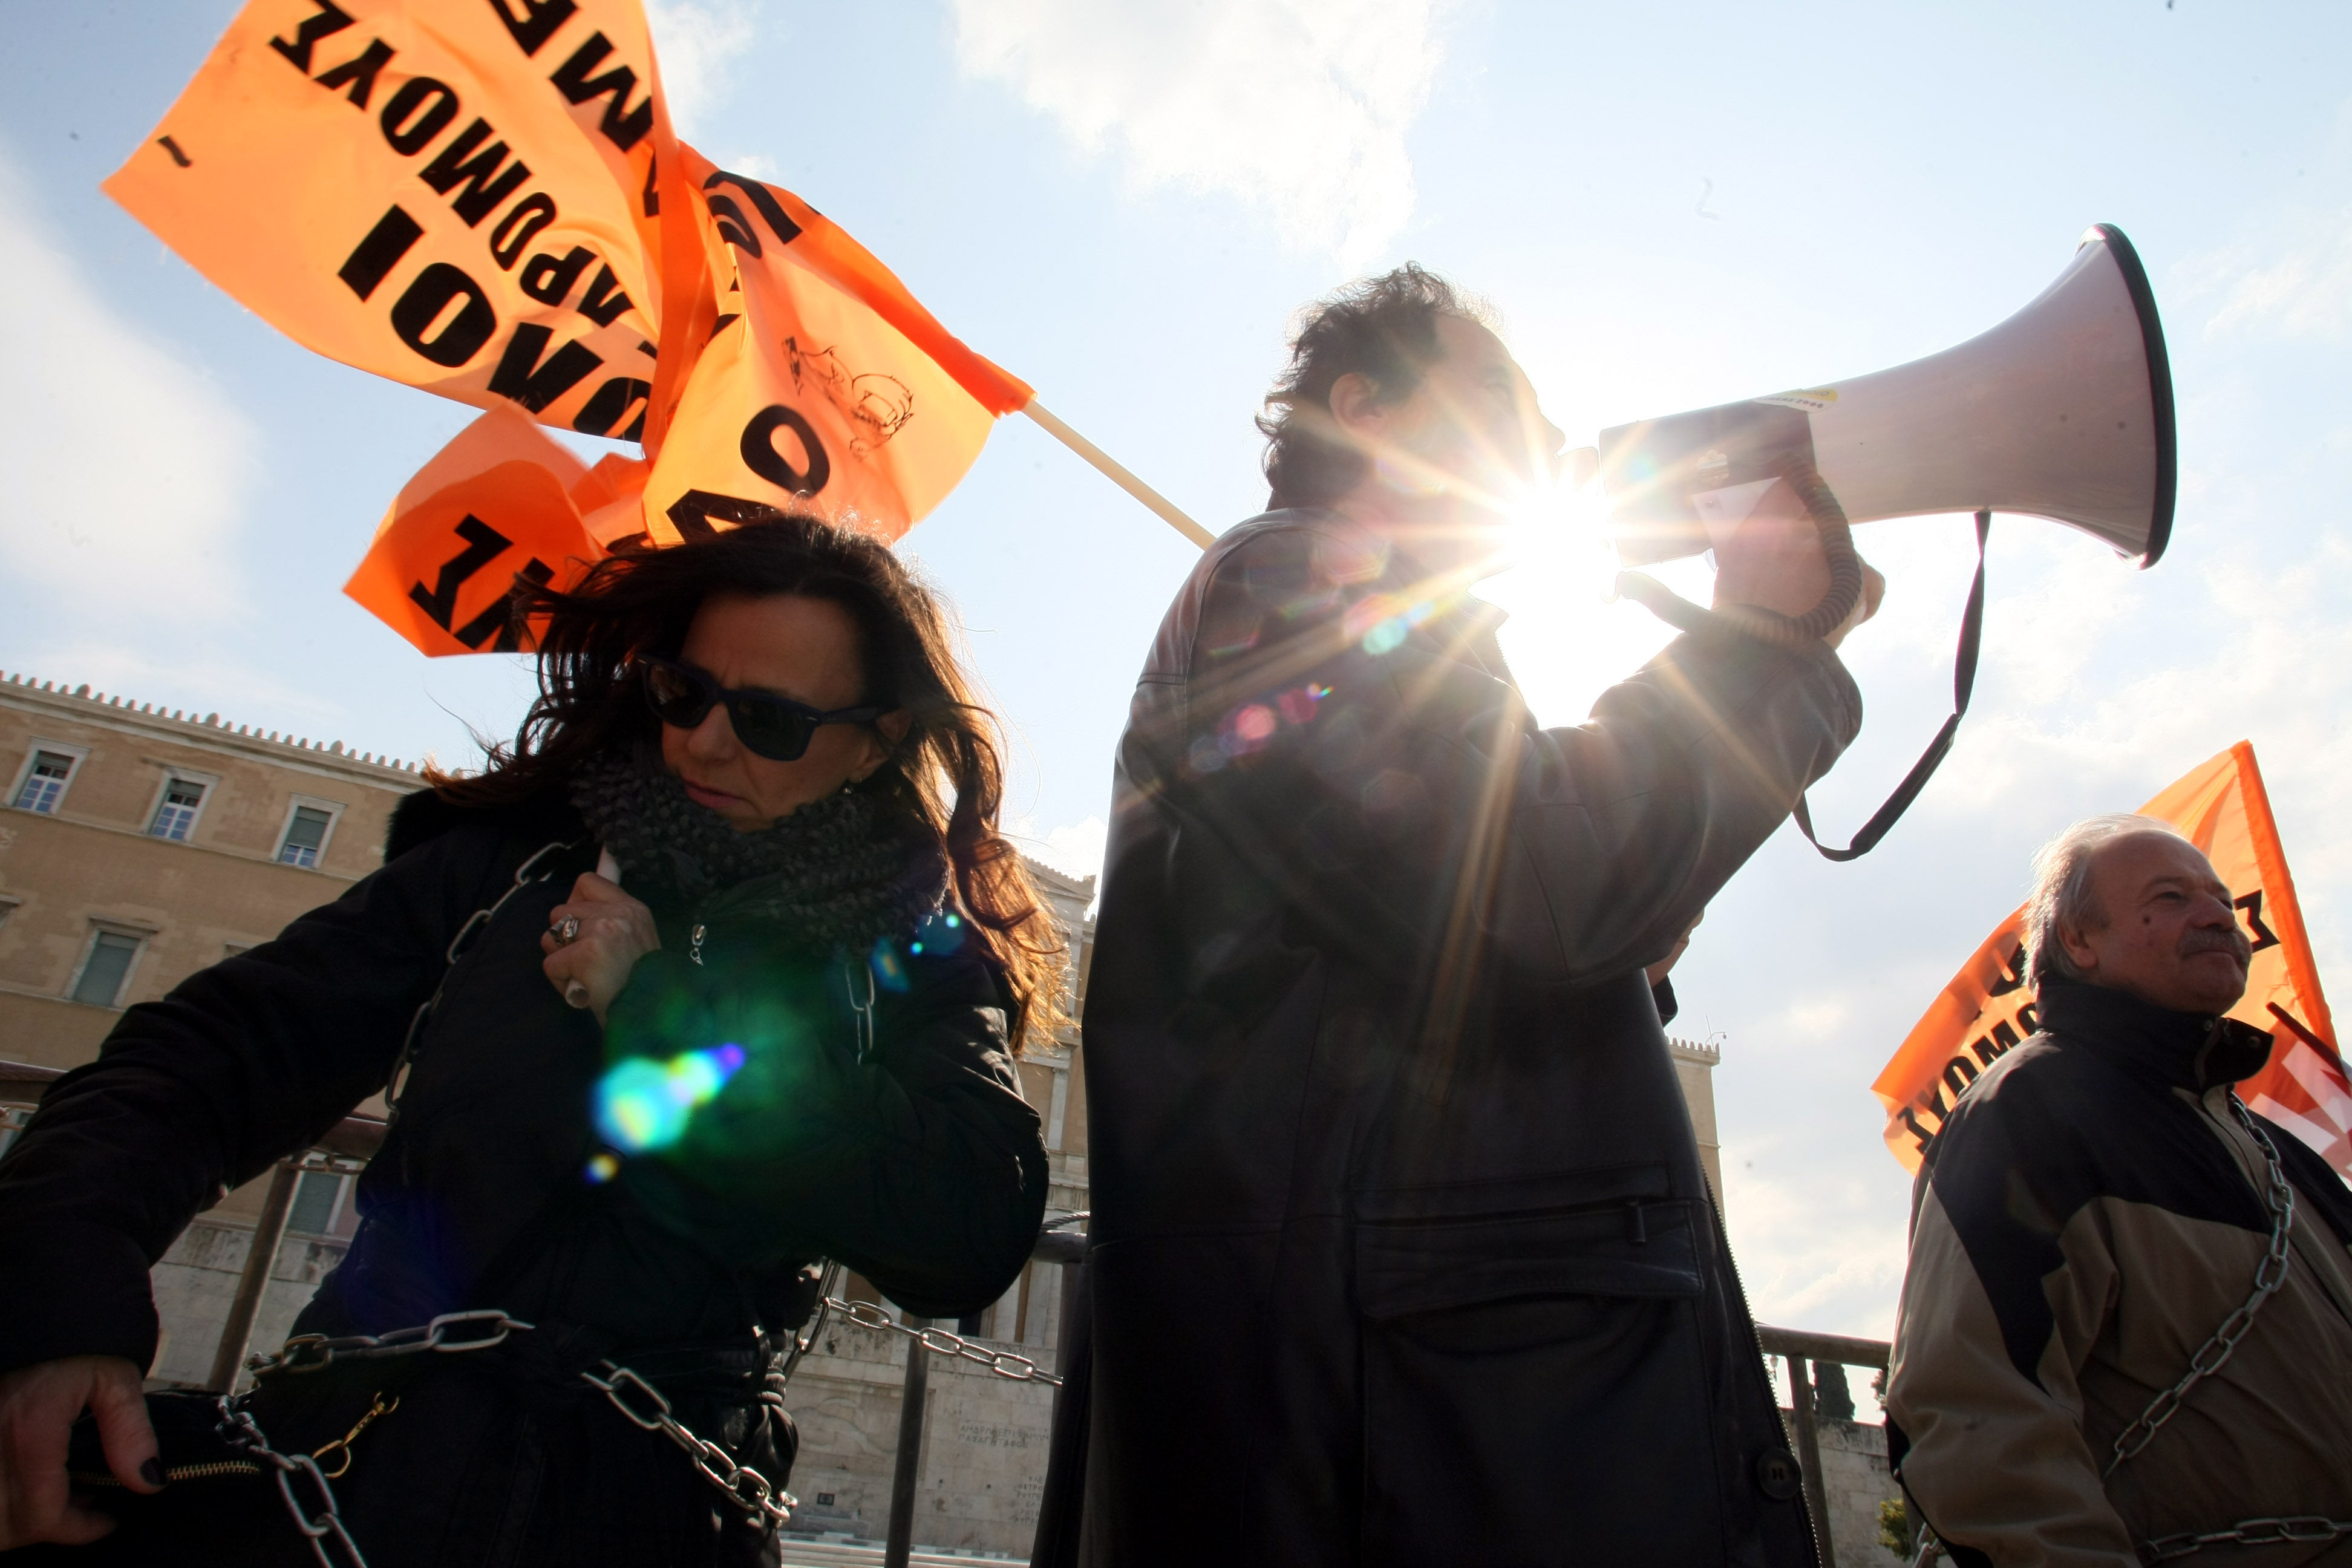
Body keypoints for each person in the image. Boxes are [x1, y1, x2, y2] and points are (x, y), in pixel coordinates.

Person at [0, 519, 1057, 1566]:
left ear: (872, 743)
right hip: (352, 1473)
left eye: (770, 719)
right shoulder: (505, 868)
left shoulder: (913, 955)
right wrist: (60, 1292)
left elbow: (968, 1217)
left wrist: (655, 1007)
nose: (702, 742)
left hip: (658, 1511)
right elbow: (215, 1054)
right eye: (681, 693)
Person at [1034, 264, 1883, 1566]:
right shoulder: (1293, 574)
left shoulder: (1380, 622)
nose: (1542, 446)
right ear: (1363, 409)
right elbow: (1533, 893)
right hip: (1390, 1425)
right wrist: (1760, 644)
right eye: (1498, 400)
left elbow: (1464, 953)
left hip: (1401, 1408)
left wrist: (1627, 947)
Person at [1886, 815, 2352, 1566]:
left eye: (2221, 898)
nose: (2215, 915)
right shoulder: (2027, 1114)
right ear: (2079, 941)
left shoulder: (2285, 1155)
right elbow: (1972, 1419)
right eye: (2170, 897)